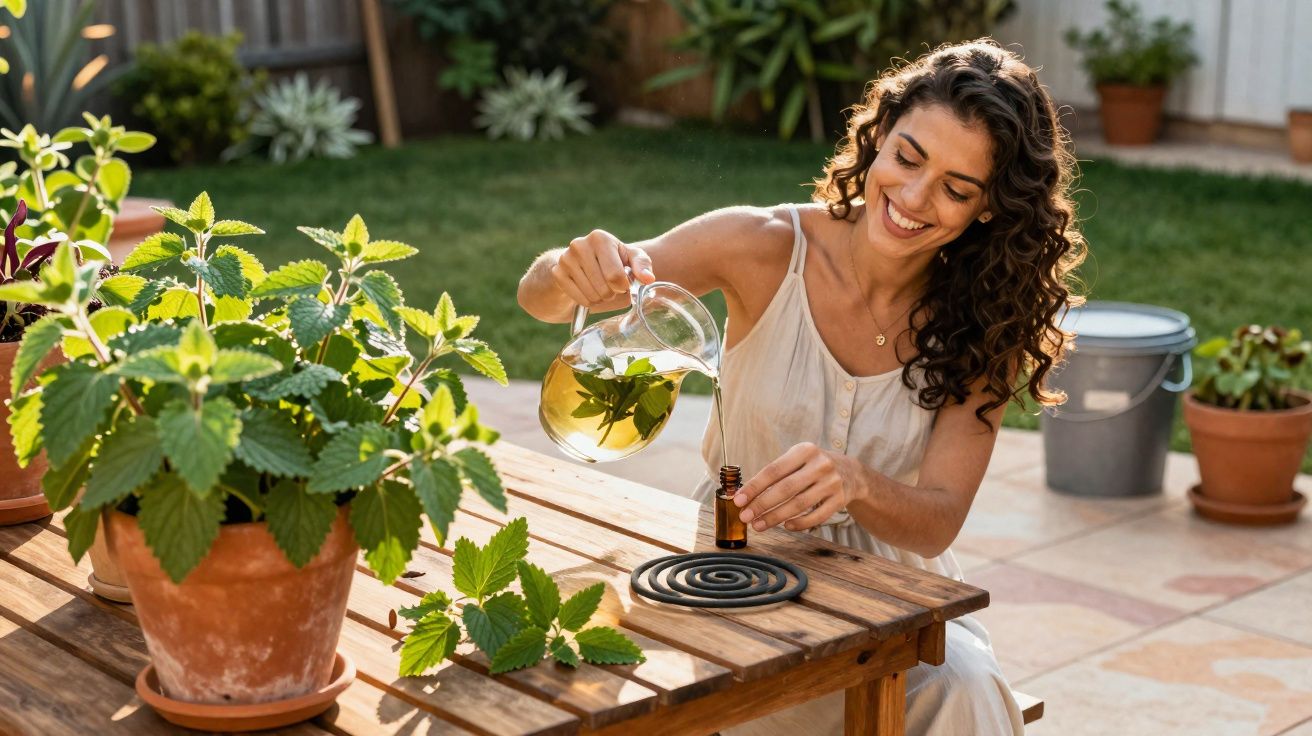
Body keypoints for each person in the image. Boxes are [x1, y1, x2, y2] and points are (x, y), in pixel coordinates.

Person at [517, 38, 1085, 735]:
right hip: (731, 566)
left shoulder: (985, 319)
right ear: (878, 139)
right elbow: (541, 297)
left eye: (956, 189)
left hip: (894, 594)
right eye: (907, 158)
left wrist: (859, 483)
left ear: (989, 209)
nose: (913, 197)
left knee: (958, 687)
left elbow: (939, 516)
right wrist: (569, 268)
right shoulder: (759, 245)